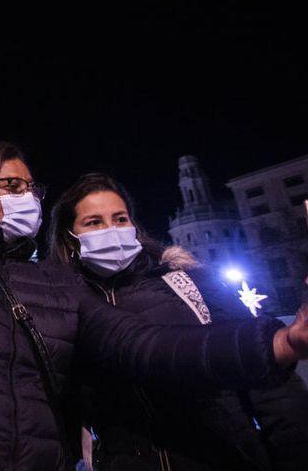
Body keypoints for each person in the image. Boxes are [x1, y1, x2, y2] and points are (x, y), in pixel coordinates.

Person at [0, 141, 308, 471]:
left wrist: (281, 342)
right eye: (10, 187)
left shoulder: (53, 285)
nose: (27, 198)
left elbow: (146, 346)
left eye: (30, 188)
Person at [47, 173, 308, 471]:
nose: (112, 229)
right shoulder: (65, 308)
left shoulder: (190, 283)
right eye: (94, 222)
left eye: (120, 219)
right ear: (69, 236)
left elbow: (272, 391)